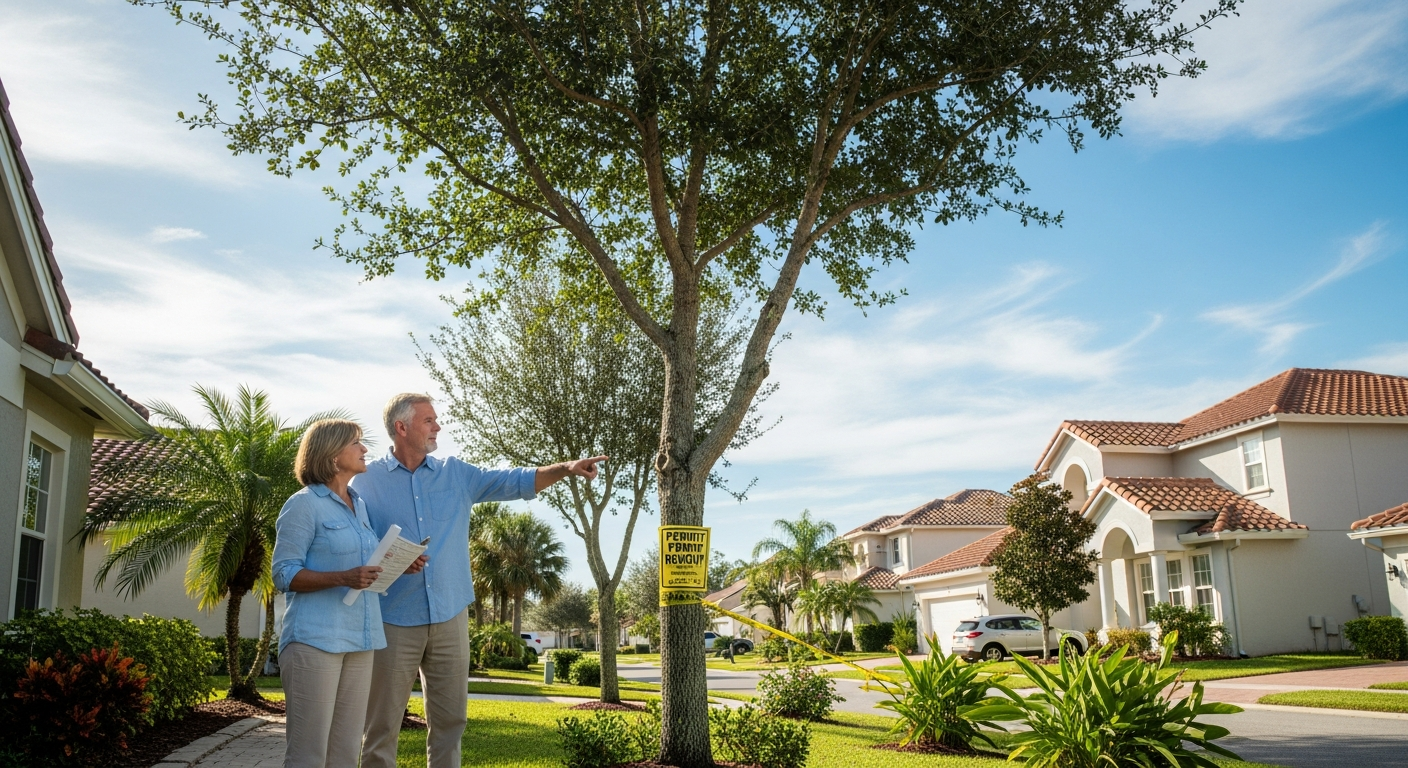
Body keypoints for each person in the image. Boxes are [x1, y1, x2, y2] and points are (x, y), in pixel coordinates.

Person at [355, 393, 605, 768]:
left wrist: (566, 468)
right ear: (401, 427)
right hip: (393, 618)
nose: (437, 426)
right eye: (429, 420)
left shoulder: (456, 473)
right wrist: (389, 559)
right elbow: (353, 540)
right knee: (381, 726)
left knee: (451, 722)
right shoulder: (365, 481)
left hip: (450, 617)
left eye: (436, 419)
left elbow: (514, 481)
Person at [271, 419, 427, 768]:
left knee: (344, 755)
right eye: (356, 443)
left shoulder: (360, 505)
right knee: (308, 755)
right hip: (314, 641)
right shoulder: (303, 504)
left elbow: (363, 571)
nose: (364, 449)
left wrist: (398, 565)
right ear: (332, 454)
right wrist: (343, 576)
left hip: (361, 641)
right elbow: (283, 574)